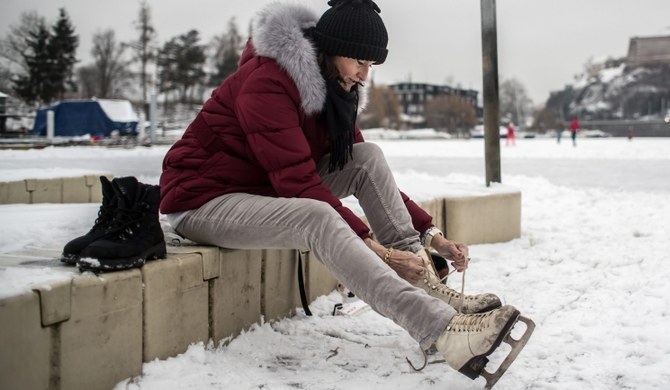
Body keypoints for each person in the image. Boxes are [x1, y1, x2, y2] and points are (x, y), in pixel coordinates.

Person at [158, 0, 532, 385]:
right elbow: (298, 184)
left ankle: (429, 290)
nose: (364, 75)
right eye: (360, 62)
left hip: (260, 189)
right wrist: (380, 252)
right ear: (332, 49)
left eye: (371, 66)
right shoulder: (267, 83)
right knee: (316, 216)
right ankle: (441, 331)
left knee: (366, 157)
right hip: (204, 200)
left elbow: (367, 176)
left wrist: (432, 236)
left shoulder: (335, 92)